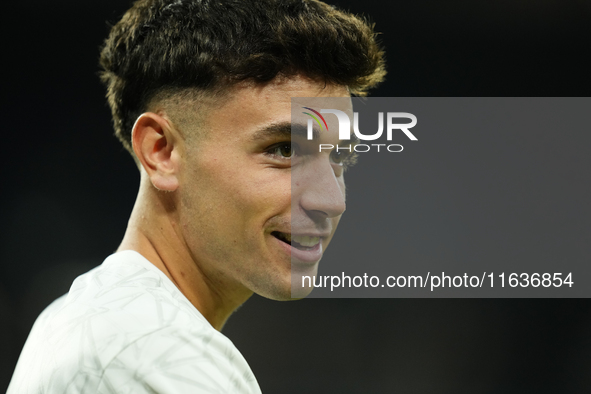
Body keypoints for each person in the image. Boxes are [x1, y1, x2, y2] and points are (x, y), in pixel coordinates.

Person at [8, 0, 385, 392]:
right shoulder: (151, 352)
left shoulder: (89, 321)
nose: (332, 200)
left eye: (340, 157)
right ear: (162, 151)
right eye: (284, 150)